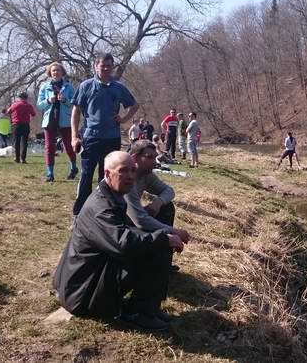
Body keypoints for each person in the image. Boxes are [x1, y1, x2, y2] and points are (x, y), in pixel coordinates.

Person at [52, 151, 185, 331]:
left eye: (132, 170)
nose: (131, 176)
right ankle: (138, 314)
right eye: (123, 171)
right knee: (156, 246)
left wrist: (161, 237)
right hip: (82, 295)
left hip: (88, 279)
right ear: (108, 174)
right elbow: (124, 244)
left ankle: (149, 309)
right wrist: (164, 238)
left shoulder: (111, 196)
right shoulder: (101, 207)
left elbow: (122, 234)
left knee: (154, 241)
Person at [71, 52, 139, 216]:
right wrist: (74, 136)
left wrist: (123, 119)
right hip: (91, 137)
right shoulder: (86, 86)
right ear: (96, 66)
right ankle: (79, 214)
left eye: (109, 66)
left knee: (108, 177)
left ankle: (106, 212)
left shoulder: (118, 87)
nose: (106, 69)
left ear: (112, 67)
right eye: (103, 66)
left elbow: (134, 105)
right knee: (86, 175)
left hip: (112, 138)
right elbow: (76, 111)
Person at [126, 140, 191, 272]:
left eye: (155, 157)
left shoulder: (146, 175)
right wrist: (174, 232)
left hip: (131, 221)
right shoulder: (125, 179)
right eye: (149, 157)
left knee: (167, 207)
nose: (155, 162)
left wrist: (158, 202)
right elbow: (140, 220)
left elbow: (169, 191)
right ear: (135, 158)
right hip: (116, 231)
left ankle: (163, 263)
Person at [37, 62, 79, 182]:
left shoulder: (69, 86)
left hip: (65, 120)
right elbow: (39, 105)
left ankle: (74, 167)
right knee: (49, 147)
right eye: (53, 71)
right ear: (50, 73)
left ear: (62, 72)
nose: (55, 72)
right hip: (49, 120)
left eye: (58, 70)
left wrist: (65, 100)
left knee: (68, 146)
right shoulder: (44, 86)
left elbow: (74, 103)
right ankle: (50, 174)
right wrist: (48, 101)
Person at [8, 92, 37, 164]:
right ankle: (23, 159)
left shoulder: (15, 104)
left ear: (19, 97)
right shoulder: (28, 105)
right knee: (25, 142)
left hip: (16, 124)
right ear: (26, 98)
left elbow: (8, 111)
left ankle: (17, 158)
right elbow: (33, 114)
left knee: (17, 142)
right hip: (25, 125)